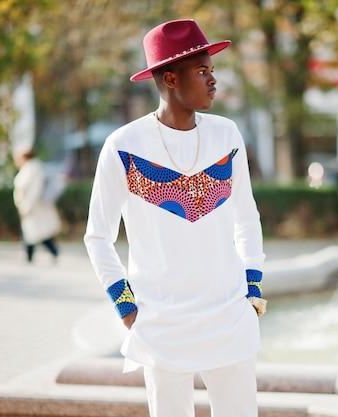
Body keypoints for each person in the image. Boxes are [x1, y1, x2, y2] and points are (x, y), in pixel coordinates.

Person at [83, 19, 267, 417]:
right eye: (203, 72)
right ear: (170, 78)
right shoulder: (123, 146)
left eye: (212, 71)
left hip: (228, 316)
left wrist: (252, 291)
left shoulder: (227, 135)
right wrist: (126, 308)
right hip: (160, 322)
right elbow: (97, 236)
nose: (213, 81)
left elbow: (247, 218)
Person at [13, 149, 61, 263]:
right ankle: (33, 255)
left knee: (35, 233)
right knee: (35, 233)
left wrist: (26, 206)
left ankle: (34, 255)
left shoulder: (31, 169)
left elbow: (32, 190)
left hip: (32, 207)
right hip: (33, 207)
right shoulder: (33, 168)